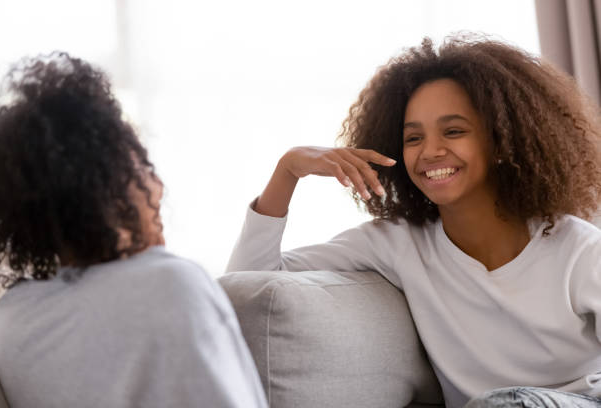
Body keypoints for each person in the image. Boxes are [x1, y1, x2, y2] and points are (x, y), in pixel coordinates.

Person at [227, 34, 601, 408]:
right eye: (413, 137)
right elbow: (245, 288)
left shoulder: (580, 250)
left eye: (453, 131)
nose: (431, 151)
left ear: (502, 142)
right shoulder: (399, 244)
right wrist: (287, 170)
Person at [0, 53, 267, 408]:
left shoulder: (14, 313)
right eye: (140, 168)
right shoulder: (169, 284)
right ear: (104, 188)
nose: (157, 186)